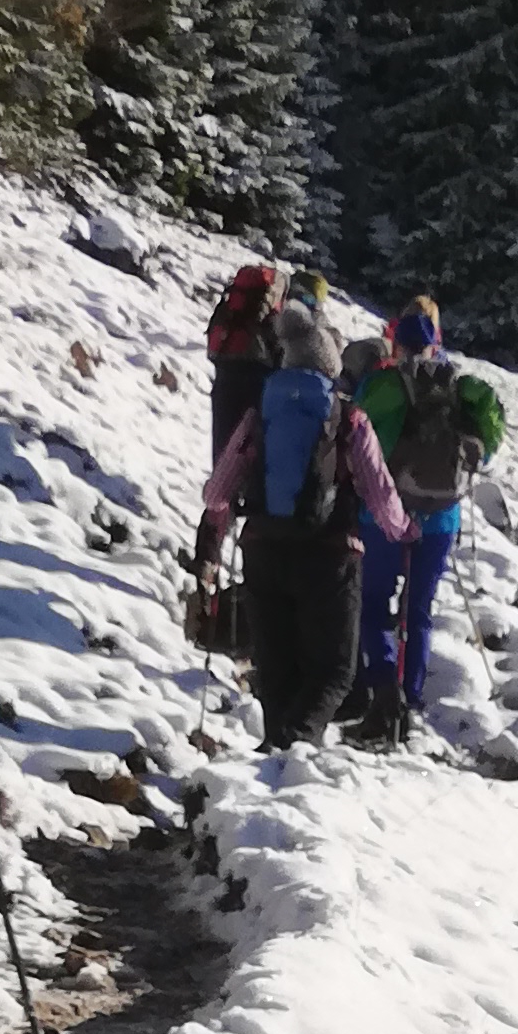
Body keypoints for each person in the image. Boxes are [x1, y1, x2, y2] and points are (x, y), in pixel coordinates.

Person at [201, 299, 405, 749]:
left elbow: (216, 493)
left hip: (263, 550)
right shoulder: (349, 418)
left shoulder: (259, 413)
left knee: (276, 671)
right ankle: (293, 747)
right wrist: (401, 528)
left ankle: (274, 759)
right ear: (331, 368)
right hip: (330, 555)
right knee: (334, 671)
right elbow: (381, 495)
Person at [355, 299, 506, 741]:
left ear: (396, 341)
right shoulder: (462, 387)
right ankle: (412, 696)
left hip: (384, 513)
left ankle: (383, 689)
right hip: (440, 518)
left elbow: (357, 434)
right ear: (436, 343)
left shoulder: (382, 385)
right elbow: (490, 441)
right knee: (417, 611)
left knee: (374, 602)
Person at [203, 259, 283, 462]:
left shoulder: (228, 308)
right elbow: (280, 353)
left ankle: (219, 480)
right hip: (256, 381)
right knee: (248, 448)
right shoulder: (268, 315)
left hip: (224, 377)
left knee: (222, 443)